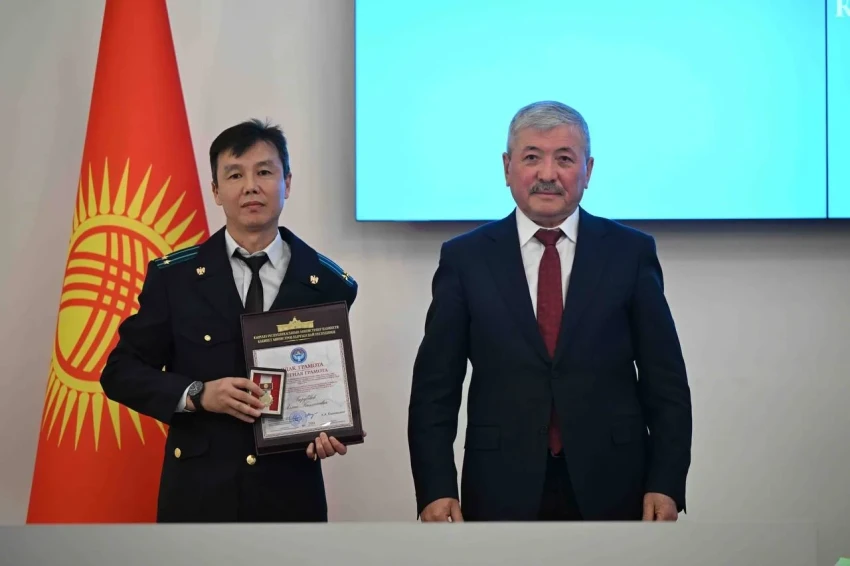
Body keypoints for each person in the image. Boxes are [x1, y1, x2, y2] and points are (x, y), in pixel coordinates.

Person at [407, 101, 692, 522]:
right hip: (499, 484)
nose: (547, 174)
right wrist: (436, 488)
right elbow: (435, 389)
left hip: (615, 482)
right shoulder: (465, 259)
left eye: (564, 159)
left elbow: (665, 383)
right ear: (507, 168)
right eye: (531, 157)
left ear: (588, 171)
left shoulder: (630, 253)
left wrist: (666, 481)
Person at [101, 119, 359, 522]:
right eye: (235, 175)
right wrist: (198, 394)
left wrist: (324, 428)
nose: (251, 186)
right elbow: (119, 372)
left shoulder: (326, 283)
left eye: (265, 172)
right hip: (199, 497)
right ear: (216, 190)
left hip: (290, 499)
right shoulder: (176, 279)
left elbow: (321, 387)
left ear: (287, 183)